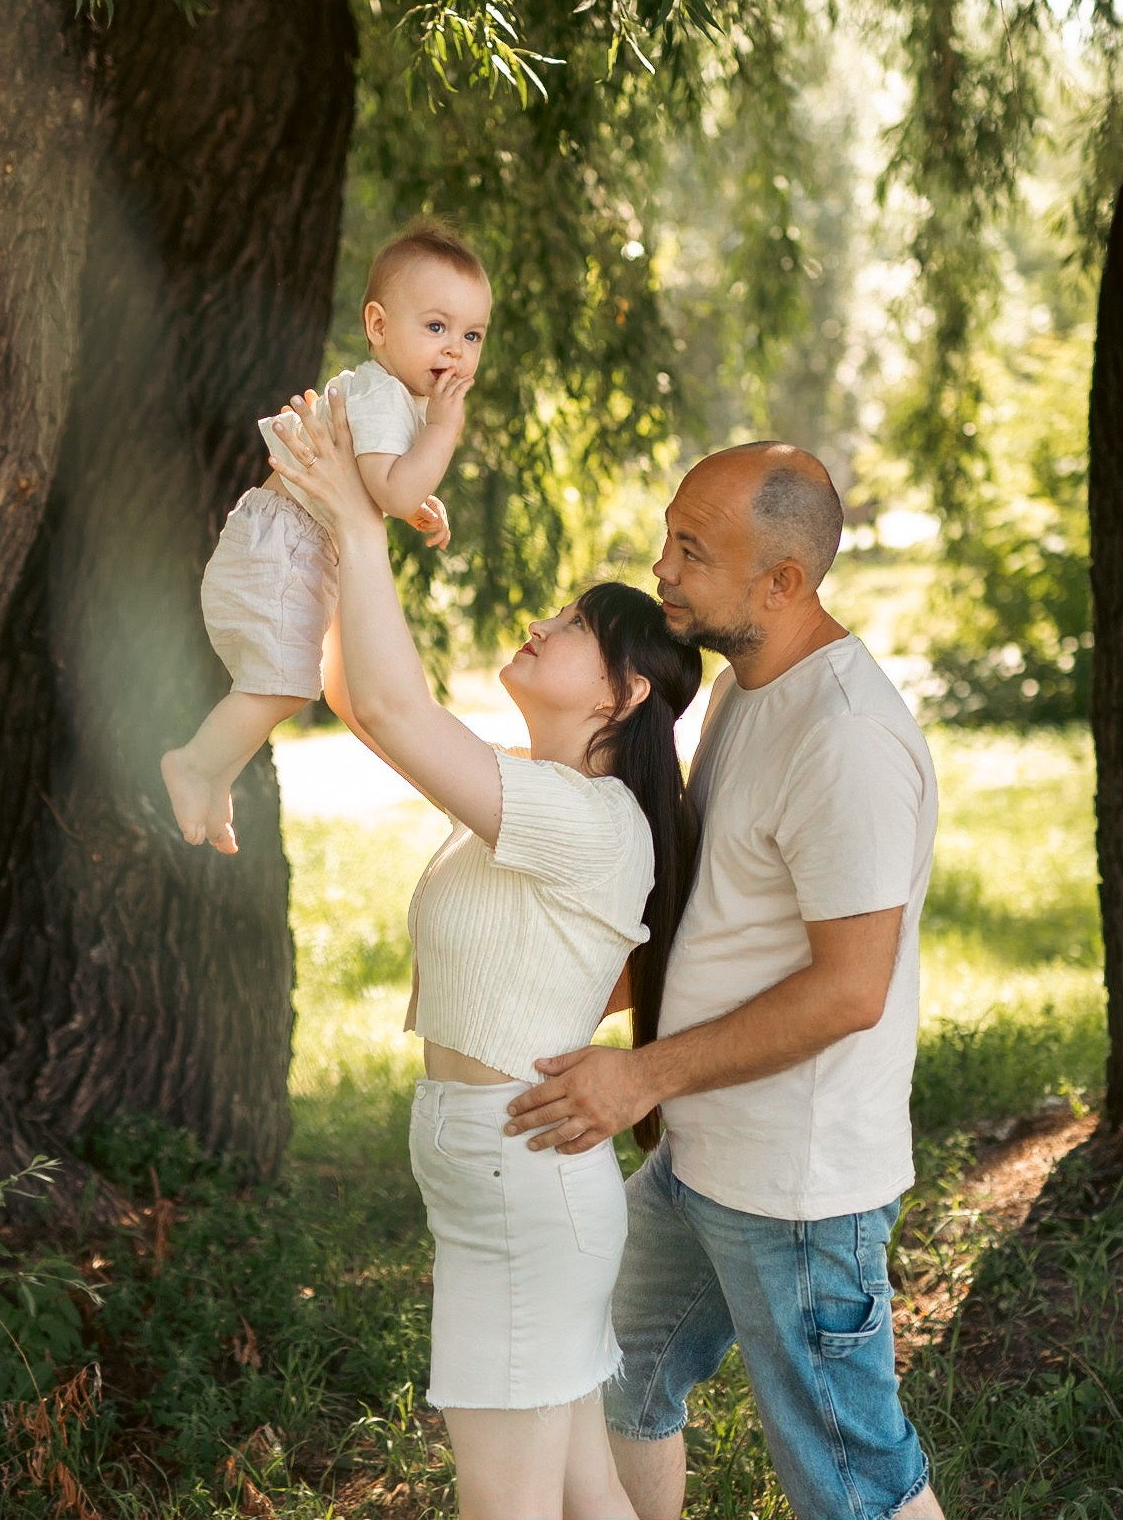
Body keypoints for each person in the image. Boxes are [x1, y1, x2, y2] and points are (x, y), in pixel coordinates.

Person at [268, 387, 703, 1520]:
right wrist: (327, 528)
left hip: (520, 1184)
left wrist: (363, 529)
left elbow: (401, 715)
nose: (542, 624)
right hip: (498, 1177)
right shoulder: (539, 795)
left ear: (627, 690)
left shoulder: (586, 817)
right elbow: (363, 704)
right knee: (573, 1486)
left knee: (505, 1503)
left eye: (573, 625)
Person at [504, 443, 948, 1520]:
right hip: (706, 1158)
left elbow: (851, 989)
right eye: (669, 536)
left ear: (782, 582)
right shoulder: (754, 690)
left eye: (691, 553)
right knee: (615, 1377)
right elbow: (718, 912)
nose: (661, 569)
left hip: (794, 1194)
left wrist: (639, 1075)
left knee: (853, 1484)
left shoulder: (845, 738)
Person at [160, 220, 488, 853]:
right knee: (282, 684)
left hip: (290, 548)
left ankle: (215, 773)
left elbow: (382, 484)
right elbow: (387, 489)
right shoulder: (380, 395)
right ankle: (196, 763)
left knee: (281, 681)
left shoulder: (392, 398)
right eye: (437, 327)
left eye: (472, 335)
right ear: (379, 325)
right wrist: (443, 433)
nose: (455, 350)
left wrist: (420, 504)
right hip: (280, 552)